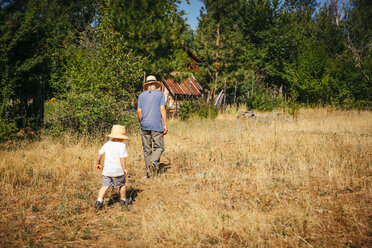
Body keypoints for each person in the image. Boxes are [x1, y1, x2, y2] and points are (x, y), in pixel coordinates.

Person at [137, 75, 167, 178]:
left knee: (147, 149)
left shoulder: (141, 95)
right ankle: (154, 163)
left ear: (147, 85)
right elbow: (162, 109)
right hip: (156, 125)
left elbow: (139, 111)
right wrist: (165, 124)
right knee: (159, 147)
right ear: (155, 84)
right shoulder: (160, 95)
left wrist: (141, 122)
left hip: (144, 125)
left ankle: (149, 173)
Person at [95, 125, 130, 210]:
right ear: (121, 137)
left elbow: (99, 154)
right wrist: (124, 168)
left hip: (107, 171)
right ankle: (123, 200)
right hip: (118, 171)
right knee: (122, 185)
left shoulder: (107, 144)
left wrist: (98, 163)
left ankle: (99, 201)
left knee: (105, 186)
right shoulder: (122, 146)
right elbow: (122, 158)